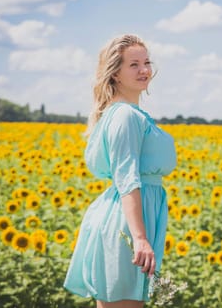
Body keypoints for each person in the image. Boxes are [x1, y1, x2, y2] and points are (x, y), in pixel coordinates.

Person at [64, 34, 177, 308]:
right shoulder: (125, 116)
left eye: (147, 62)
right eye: (134, 64)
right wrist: (139, 238)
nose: (144, 70)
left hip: (132, 221)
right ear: (114, 73)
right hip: (125, 227)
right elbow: (127, 179)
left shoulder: (131, 114)